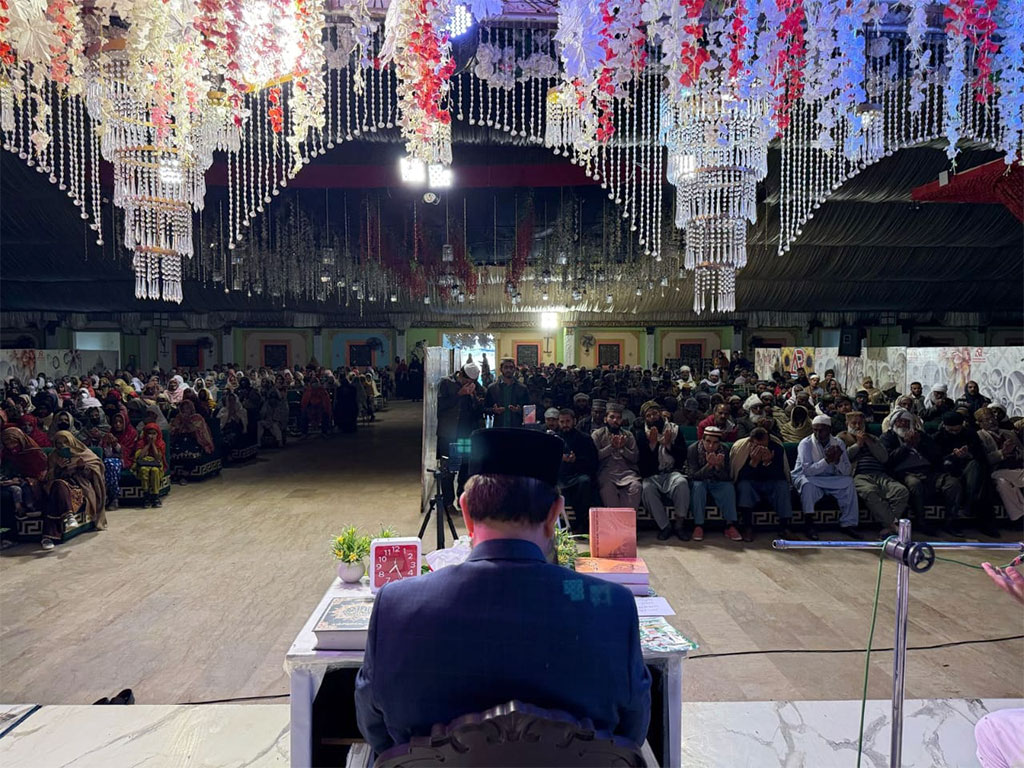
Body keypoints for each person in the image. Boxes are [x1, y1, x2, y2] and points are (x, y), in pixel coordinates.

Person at [354, 428, 651, 756]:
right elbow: (631, 734)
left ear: (465, 511)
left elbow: (377, 733)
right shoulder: (614, 607)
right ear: (555, 514)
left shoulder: (396, 605)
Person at [838, 411, 907, 537]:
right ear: (847, 423)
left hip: (880, 474)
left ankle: (888, 527)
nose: (858, 426)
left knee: (901, 491)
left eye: (860, 423)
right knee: (870, 492)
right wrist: (858, 445)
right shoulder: (841, 438)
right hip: (859, 475)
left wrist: (869, 442)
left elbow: (884, 458)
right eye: (854, 423)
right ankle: (892, 525)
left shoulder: (872, 437)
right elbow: (842, 458)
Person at [792, 414, 861, 539]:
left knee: (848, 482)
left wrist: (838, 460)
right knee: (807, 485)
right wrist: (827, 461)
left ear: (829, 430)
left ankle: (848, 524)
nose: (818, 433)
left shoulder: (838, 443)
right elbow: (807, 471)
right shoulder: (805, 444)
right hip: (808, 478)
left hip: (830, 478)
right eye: (815, 430)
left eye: (821, 430)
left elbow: (846, 471)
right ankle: (809, 525)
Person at [42, 430, 107, 550]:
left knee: (57, 490)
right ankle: (69, 515)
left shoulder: (84, 453)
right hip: (60, 486)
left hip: (79, 486)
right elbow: (49, 478)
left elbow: (96, 474)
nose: (63, 446)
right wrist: (58, 469)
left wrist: (82, 468)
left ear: (71, 441)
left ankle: (48, 537)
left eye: (65, 442)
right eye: (59, 443)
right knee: (58, 485)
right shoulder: (54, 456)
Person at [636, 401, 690, 541]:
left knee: (681, 483)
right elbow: (642, 464)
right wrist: (653, 446)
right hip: (651, 475)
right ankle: (665, 526)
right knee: (647, 489)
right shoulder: (641, 433)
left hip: (671, 472)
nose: (653, 417)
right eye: (649, 415)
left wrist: (668, 445)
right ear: (645, 418)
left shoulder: (674, 430)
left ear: (660, 413)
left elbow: (682, 456)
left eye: (655, 413)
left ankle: (679, 525)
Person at [880, 407, 940, 533]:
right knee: (915, 484)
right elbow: (888, 460)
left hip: (928, 471)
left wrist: (919, 444)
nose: (902, 424)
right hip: (904, 473)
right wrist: (906, 446)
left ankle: (950, 522)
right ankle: (921, 522)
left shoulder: (921, 436)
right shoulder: (887, 437)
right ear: (893, 423)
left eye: (906, 421)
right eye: (899, 421)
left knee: (952, 484)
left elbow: (935, 455)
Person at [933, 411, 992, 537]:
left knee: (977, 469)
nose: (954, 433)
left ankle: (975, 513)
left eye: (957, 430)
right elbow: (935, 460)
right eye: (951, 430)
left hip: (968, 469)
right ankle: (951, 522)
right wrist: (953, 456)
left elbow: (981, 455)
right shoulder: (938, 437)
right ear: (945, 426)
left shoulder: (970, 434)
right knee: (954, 485)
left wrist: (968, 454)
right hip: (947, 470)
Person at [436, 362, 484, 511]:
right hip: (449, 435)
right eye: (467, 381)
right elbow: (440, 406)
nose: (469, 384)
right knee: (448, 469)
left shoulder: (475, 387)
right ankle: (448, 503)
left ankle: (462, 501)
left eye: (473, 382)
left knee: (465, 467)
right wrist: (459, 394)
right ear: (461, 374)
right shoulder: (446, 383)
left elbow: (478, 410)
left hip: (465, 435)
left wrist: (475, 398)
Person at [731, 426, 793, 541]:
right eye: (757, 445)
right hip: (751, 484)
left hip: (771, 484)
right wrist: (753, 463)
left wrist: (767, 463)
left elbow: (781, 475)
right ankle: (747, 527)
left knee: (782, 486)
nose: (761, 448)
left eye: (763, 445)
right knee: (744, 486)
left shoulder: (777, 448)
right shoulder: (742, 449)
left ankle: (784, 527)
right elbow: (739, 476)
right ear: (751, 441)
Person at [687, 425, 741, 542]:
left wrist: (718, 466)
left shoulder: (725, 450)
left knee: (728, 488)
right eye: (708, 441)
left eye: (715, 443)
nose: (711, 446)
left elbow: (727, 477)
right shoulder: (693, 449)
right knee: (698, 486)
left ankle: (730, 525)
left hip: (718, 481)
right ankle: (698, 525)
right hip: (700, 481)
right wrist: (708, 466)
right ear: (703, 440)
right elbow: (693, 475)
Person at [975, 407, 1023, 521]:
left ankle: (1019, 515)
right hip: (995, 470)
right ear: (979, 423)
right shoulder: (979, 436)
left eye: (992, 417)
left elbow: (1022, 451)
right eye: (986, 420)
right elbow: (982, 459)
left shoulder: (1009, 433)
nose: (991, 421)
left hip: (1015, 468)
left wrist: (1016, 453)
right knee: (1001, 482)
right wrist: (1002, 452)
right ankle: (1019, 518)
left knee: (1004, 481)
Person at [555, 409, 599, 534]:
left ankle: (581, 523)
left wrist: (575, 460)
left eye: (568, 421)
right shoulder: (554, 439)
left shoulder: (584, 439)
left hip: (579, 475)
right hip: (560, 477)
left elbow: (593, 462)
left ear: (574, 421)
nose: (565, 424)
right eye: (562, 421)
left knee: (585, 482)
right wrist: (560, 459)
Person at [592, 403, 642, 510]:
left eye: (618, 418)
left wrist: (622, 448)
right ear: (605, 419)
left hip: (627, 473)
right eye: (612, 417)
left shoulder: (628, 435)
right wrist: (611, 447)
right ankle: (616, 524)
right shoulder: (597, 434)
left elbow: (635, 458)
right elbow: (594, 457)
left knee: (636, 486)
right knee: (607, 488)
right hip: (606, 473)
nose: (615, 420)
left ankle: (627, 524)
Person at [171, 399, 216, 484]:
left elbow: (195, 430)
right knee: (175, 451)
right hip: (180, 439)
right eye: (183, 409)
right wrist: (179, 424)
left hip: (195, 440)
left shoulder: (197, 417)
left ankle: (185, 476)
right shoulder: (178, 418)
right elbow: (174, 430)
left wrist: (186, 421)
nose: (185, 410)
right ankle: (175, 475)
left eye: (187, 408)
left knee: (191, 453)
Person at [484, 358, 530, 429]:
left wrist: (519, 410)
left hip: (517, 427)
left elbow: (529, 410)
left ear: (514, 369)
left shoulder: (522, 388)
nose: (508, 370)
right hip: (499, 427)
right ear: (501, 369)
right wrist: (494, 410)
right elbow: (485, 408)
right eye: (506, 367)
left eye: (511, 367)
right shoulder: (492, 388)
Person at [133, 423, 168, 507]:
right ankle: (146, 496)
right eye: (149, 433)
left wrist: (153, 444)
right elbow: (140, 457)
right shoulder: (141, 442)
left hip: (156, 464)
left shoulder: (161, 443)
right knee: (144, 470)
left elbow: (158, 458)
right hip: (143, 463)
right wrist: (148, 444)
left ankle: (155, 496)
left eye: (154, 433)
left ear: (157, 434)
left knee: (155, 471)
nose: (151, 436)